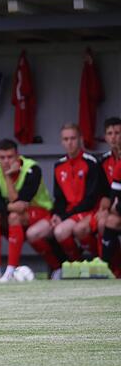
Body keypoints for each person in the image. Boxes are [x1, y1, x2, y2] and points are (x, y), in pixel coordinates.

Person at [0, 139, 60, 282]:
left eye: (10, 157)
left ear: (17, 156)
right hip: (13, 212)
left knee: (15, 218)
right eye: (2, 158)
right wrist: (8, 206)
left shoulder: (32, 169)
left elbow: (20, 202)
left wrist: (7, 176)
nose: (6, 161)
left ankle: (10, 271)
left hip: (40, 211)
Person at [51, 123, 102, 263]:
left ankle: (100, 259)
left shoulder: (91, 162)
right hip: (71, 213)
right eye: (66, 139)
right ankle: (76, 264)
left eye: (73, 138)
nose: (69, 143)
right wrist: (57, 214)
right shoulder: (58, 165)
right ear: (62, 142)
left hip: (90, 211)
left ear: (80, 139)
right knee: (58, 231)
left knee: (71, 230)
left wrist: (66, 216)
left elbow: (91, 198)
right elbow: (59, 197)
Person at [97, 117, 121, 273]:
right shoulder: (104, 161)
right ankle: (105, 269)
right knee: (104, 221)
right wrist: (107, 205)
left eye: (117, 133)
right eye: (110, 133)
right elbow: (111, 191)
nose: (114, 137)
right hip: (117, 208)